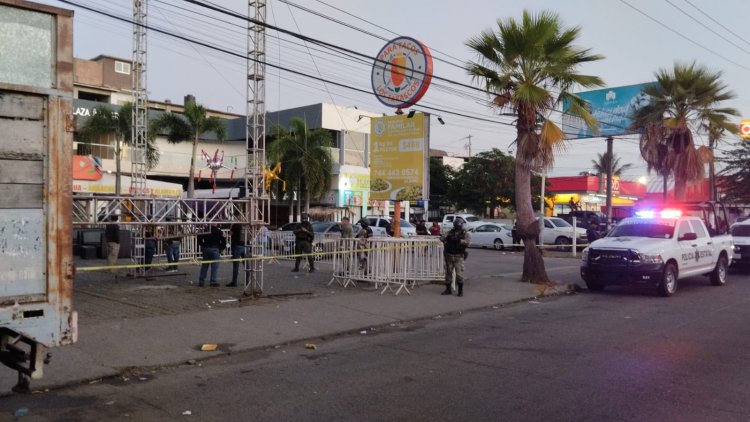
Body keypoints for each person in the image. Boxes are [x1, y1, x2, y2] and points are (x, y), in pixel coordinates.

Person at [441, 219, 471, 297]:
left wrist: (459, 240)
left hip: (458, 256)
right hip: (449, 255)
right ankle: (448, 289)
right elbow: (442, 237)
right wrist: (445, 238)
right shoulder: (450, 232)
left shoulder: (465, 233)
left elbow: (468, 242)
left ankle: (460, 291)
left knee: (459, 274)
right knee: (448, 273)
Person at [227, 221, 245, 287]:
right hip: (244, 245)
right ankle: (248, 280)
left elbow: (230, 233)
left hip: (237, 245)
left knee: (236, 265)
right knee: (247, 264)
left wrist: (231, 226)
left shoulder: (235, 225)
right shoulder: (245, 225)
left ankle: (234, 282)